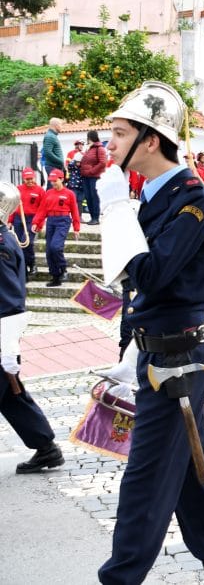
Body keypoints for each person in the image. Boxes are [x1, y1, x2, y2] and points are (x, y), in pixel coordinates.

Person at [94, 80, 204, 584]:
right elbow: (138, 290)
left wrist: (114, 211)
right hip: (157, 354)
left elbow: (152, 275)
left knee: (146, 481)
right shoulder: (154, 197)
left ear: (150, 139)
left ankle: (119, 578)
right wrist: (128, 357)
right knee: (189, 475)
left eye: (119, 132)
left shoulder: (192, 200)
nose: (107, 143)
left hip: (179, 363)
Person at [0, 182, 65, 475]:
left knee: (10, 392)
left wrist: (8, 347)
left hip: (1, 335)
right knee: (11, 396)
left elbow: (10, 298)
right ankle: (46, 447)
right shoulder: (7, 237)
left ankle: (47, 447)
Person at [31, 169, 80, 287]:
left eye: (55, 180)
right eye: (51, 181)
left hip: (63, 221)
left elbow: (74, 211)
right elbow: (42, 209)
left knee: (55, 247)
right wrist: (36, 222)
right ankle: (55, 276)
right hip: (51, 221)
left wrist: (76, 227)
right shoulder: (48, 193)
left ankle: (63, 269)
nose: (53, 183)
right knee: (48, 251)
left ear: (62, 179)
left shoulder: (69, 193)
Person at [11, 168, 44, 276]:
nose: (30, 181)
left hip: (32, 219)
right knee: (19, 244)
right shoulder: (18, 189)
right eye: (27, 179)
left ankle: (32, 263)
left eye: (31, 178)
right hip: (18, 218)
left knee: (27, 242)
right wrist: (10, 220)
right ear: (23, 179)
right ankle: (23, 267)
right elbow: (13, 205)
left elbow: (43, 209)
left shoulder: (39, 191)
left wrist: (39, 223)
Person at [80, 130, 107, 225]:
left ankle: (96, 218)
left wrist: (91, 171)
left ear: (90, 137)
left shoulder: (100, 148)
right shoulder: (89, 148)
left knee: (94, 197)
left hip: (94, 177)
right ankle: (92, 218)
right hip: (86, 177)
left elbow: (103, 163)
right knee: (88, 198)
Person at [41, 118, 63, 189]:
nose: (61, 127)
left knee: (55, 187)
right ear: (56, 125)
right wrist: (60, 161)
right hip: (52, 166)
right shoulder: (50, 136)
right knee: (52, 187)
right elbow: (47, 152)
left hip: (54, 166)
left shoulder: (52, 136)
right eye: (60, 125)